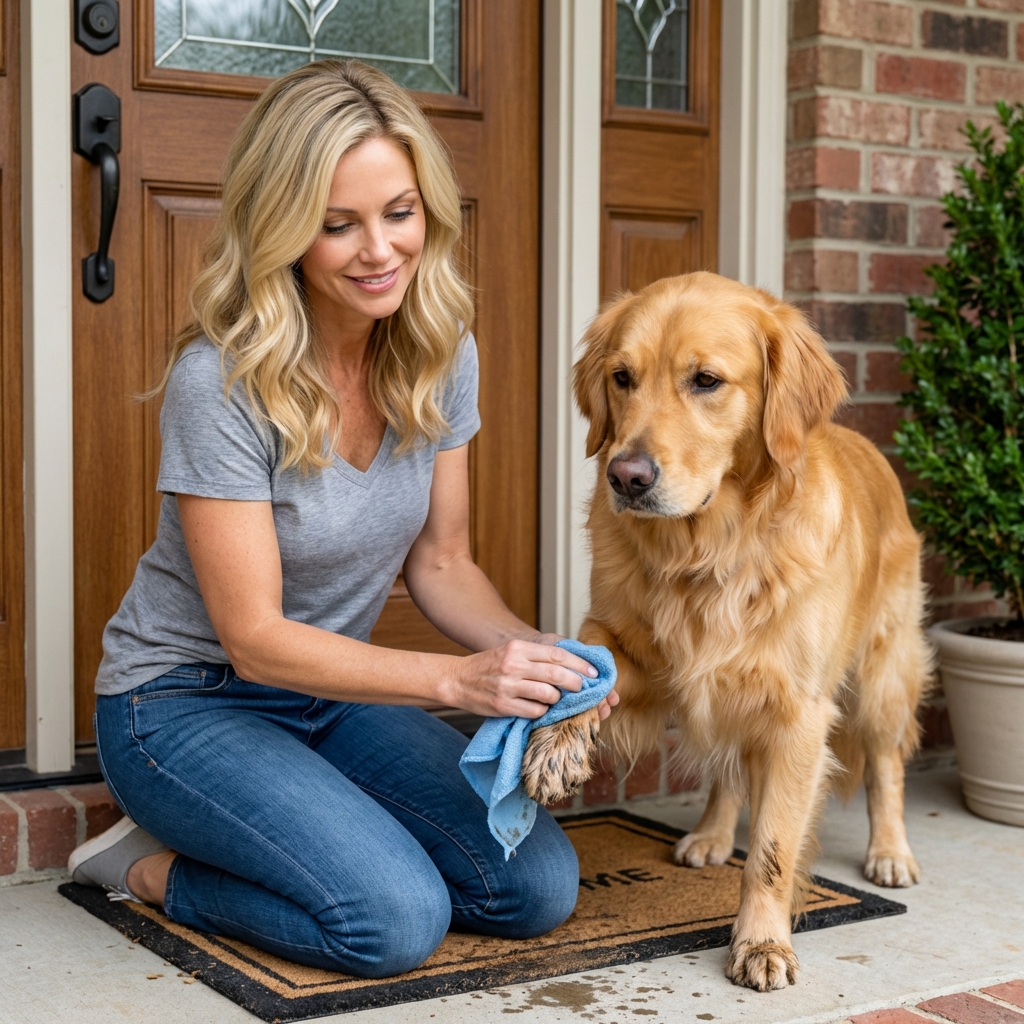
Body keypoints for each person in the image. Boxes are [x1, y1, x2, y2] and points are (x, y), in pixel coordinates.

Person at [67, 60, 617, 978]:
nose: (380, 250)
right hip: (184, 704)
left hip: (334, 695)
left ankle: (294, 825)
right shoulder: (223, 382)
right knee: (393, 923)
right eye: (337, 225)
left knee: (533, 890)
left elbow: (443, 564)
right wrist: (459, 684)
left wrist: (537, 662)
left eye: (399, 213)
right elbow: (254, 642)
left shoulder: (442, 350)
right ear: (283, 230)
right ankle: (146, 867)